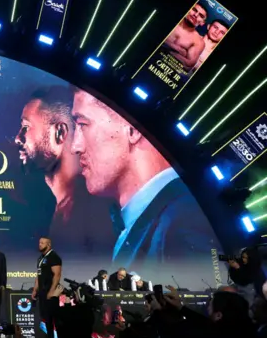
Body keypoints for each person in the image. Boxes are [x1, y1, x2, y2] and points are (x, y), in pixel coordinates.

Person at [70, 88, 218, 288]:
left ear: (132, 130)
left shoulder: (183, 219)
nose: (75, 146)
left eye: (82, 124)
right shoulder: (153, 218)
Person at [15, 86, 113, 254]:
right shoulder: (58, 208)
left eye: (26, 127)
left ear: (59, 133)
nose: (18, 138)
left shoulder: (93, 212)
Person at [30, 237, 62, 338]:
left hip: (51, 293)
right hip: (42, 292)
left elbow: (57, 275)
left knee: (54, 318)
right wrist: (35, 289)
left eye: (42, 243)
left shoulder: (54, 257)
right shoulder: (41, 258)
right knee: (46, 317)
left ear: (48, 244)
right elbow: (39, 275)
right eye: (39, 242)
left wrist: (51, 291)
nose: (39, 244)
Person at [162, 2, 208, 72]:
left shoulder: (198, 42)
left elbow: (187, 67)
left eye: (201, 16)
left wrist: (165, 46)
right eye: (194, 10)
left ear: (202, 23)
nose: (195, 15)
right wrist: (178, 49)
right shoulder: (170, 17)